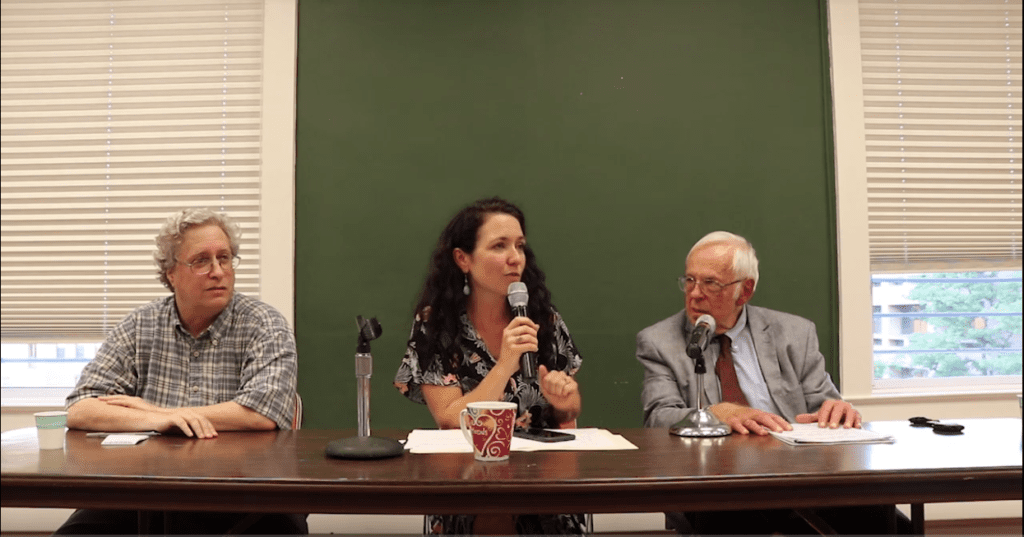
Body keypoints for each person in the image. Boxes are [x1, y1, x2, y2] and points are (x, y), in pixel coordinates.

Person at [636, 231, 910, 535]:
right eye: (689, 280)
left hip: (797, 474)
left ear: (745, 290)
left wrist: (834, 409)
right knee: (728, 514)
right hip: (718, 481)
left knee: (874, 505)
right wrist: (718, 413)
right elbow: (658, 418)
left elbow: (822, 402)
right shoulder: (659, 341)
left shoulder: (795, 333)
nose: (695, 293)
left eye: (710, 283)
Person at [55, 208, 307, 535]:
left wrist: (165, 412)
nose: (218, 271)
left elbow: (261, 413)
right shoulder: (139, 325)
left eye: (225, 258)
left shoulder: (265, 324)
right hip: (143, 491)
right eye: (201, 260)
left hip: (246, 494)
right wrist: (158, 421)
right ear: (171, 273)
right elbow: (80, 408)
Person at [394, 197, 585, 535]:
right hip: (465, 482)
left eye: (520, 246)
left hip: (541, 483)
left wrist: (564, 398)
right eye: (499, 246)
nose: (515, 258)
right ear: (463, 259)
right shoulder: (434, 326)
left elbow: (569, 412)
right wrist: (505, 364)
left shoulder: (543, 320)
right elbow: (451, 418)